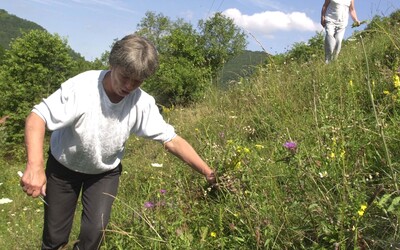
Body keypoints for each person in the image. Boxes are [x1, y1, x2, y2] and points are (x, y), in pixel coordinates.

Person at [20, 34, 217, 250]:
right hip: (63, 169)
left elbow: (171, 140)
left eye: (138, 80)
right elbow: (37, 117)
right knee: (54, 237)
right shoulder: (82, 88)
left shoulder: (141, 102)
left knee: (95, 231)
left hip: (104, 173)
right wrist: (35, 167)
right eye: (125, 76)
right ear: (112, 64)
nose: (130, 86)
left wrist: (208, 173)